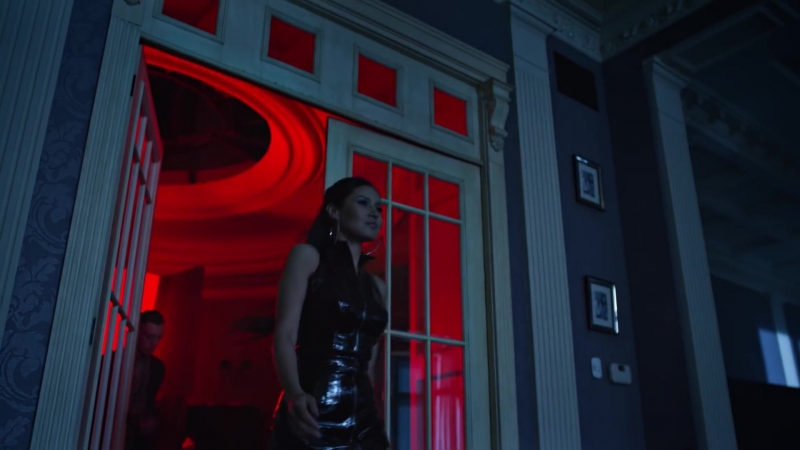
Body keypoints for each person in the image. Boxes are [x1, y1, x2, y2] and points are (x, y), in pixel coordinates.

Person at [270, 177, 390, 449]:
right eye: (363, 203)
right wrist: (294, 394)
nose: (374, 213)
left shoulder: (377, 287)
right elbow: (285, 334)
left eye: (379, 208)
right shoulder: (307, 257)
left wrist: (374, 407)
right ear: (334, 210)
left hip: (364, 412)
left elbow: (369, 359)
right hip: (315, 404)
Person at [126, 310, 166, 450]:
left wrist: (151, 421)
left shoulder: (158, 367)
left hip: (139, 439)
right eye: (149, 337)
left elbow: (150, 401)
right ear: (137, 332)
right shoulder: (116, 361)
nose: (154, 343)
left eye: (159, 338)